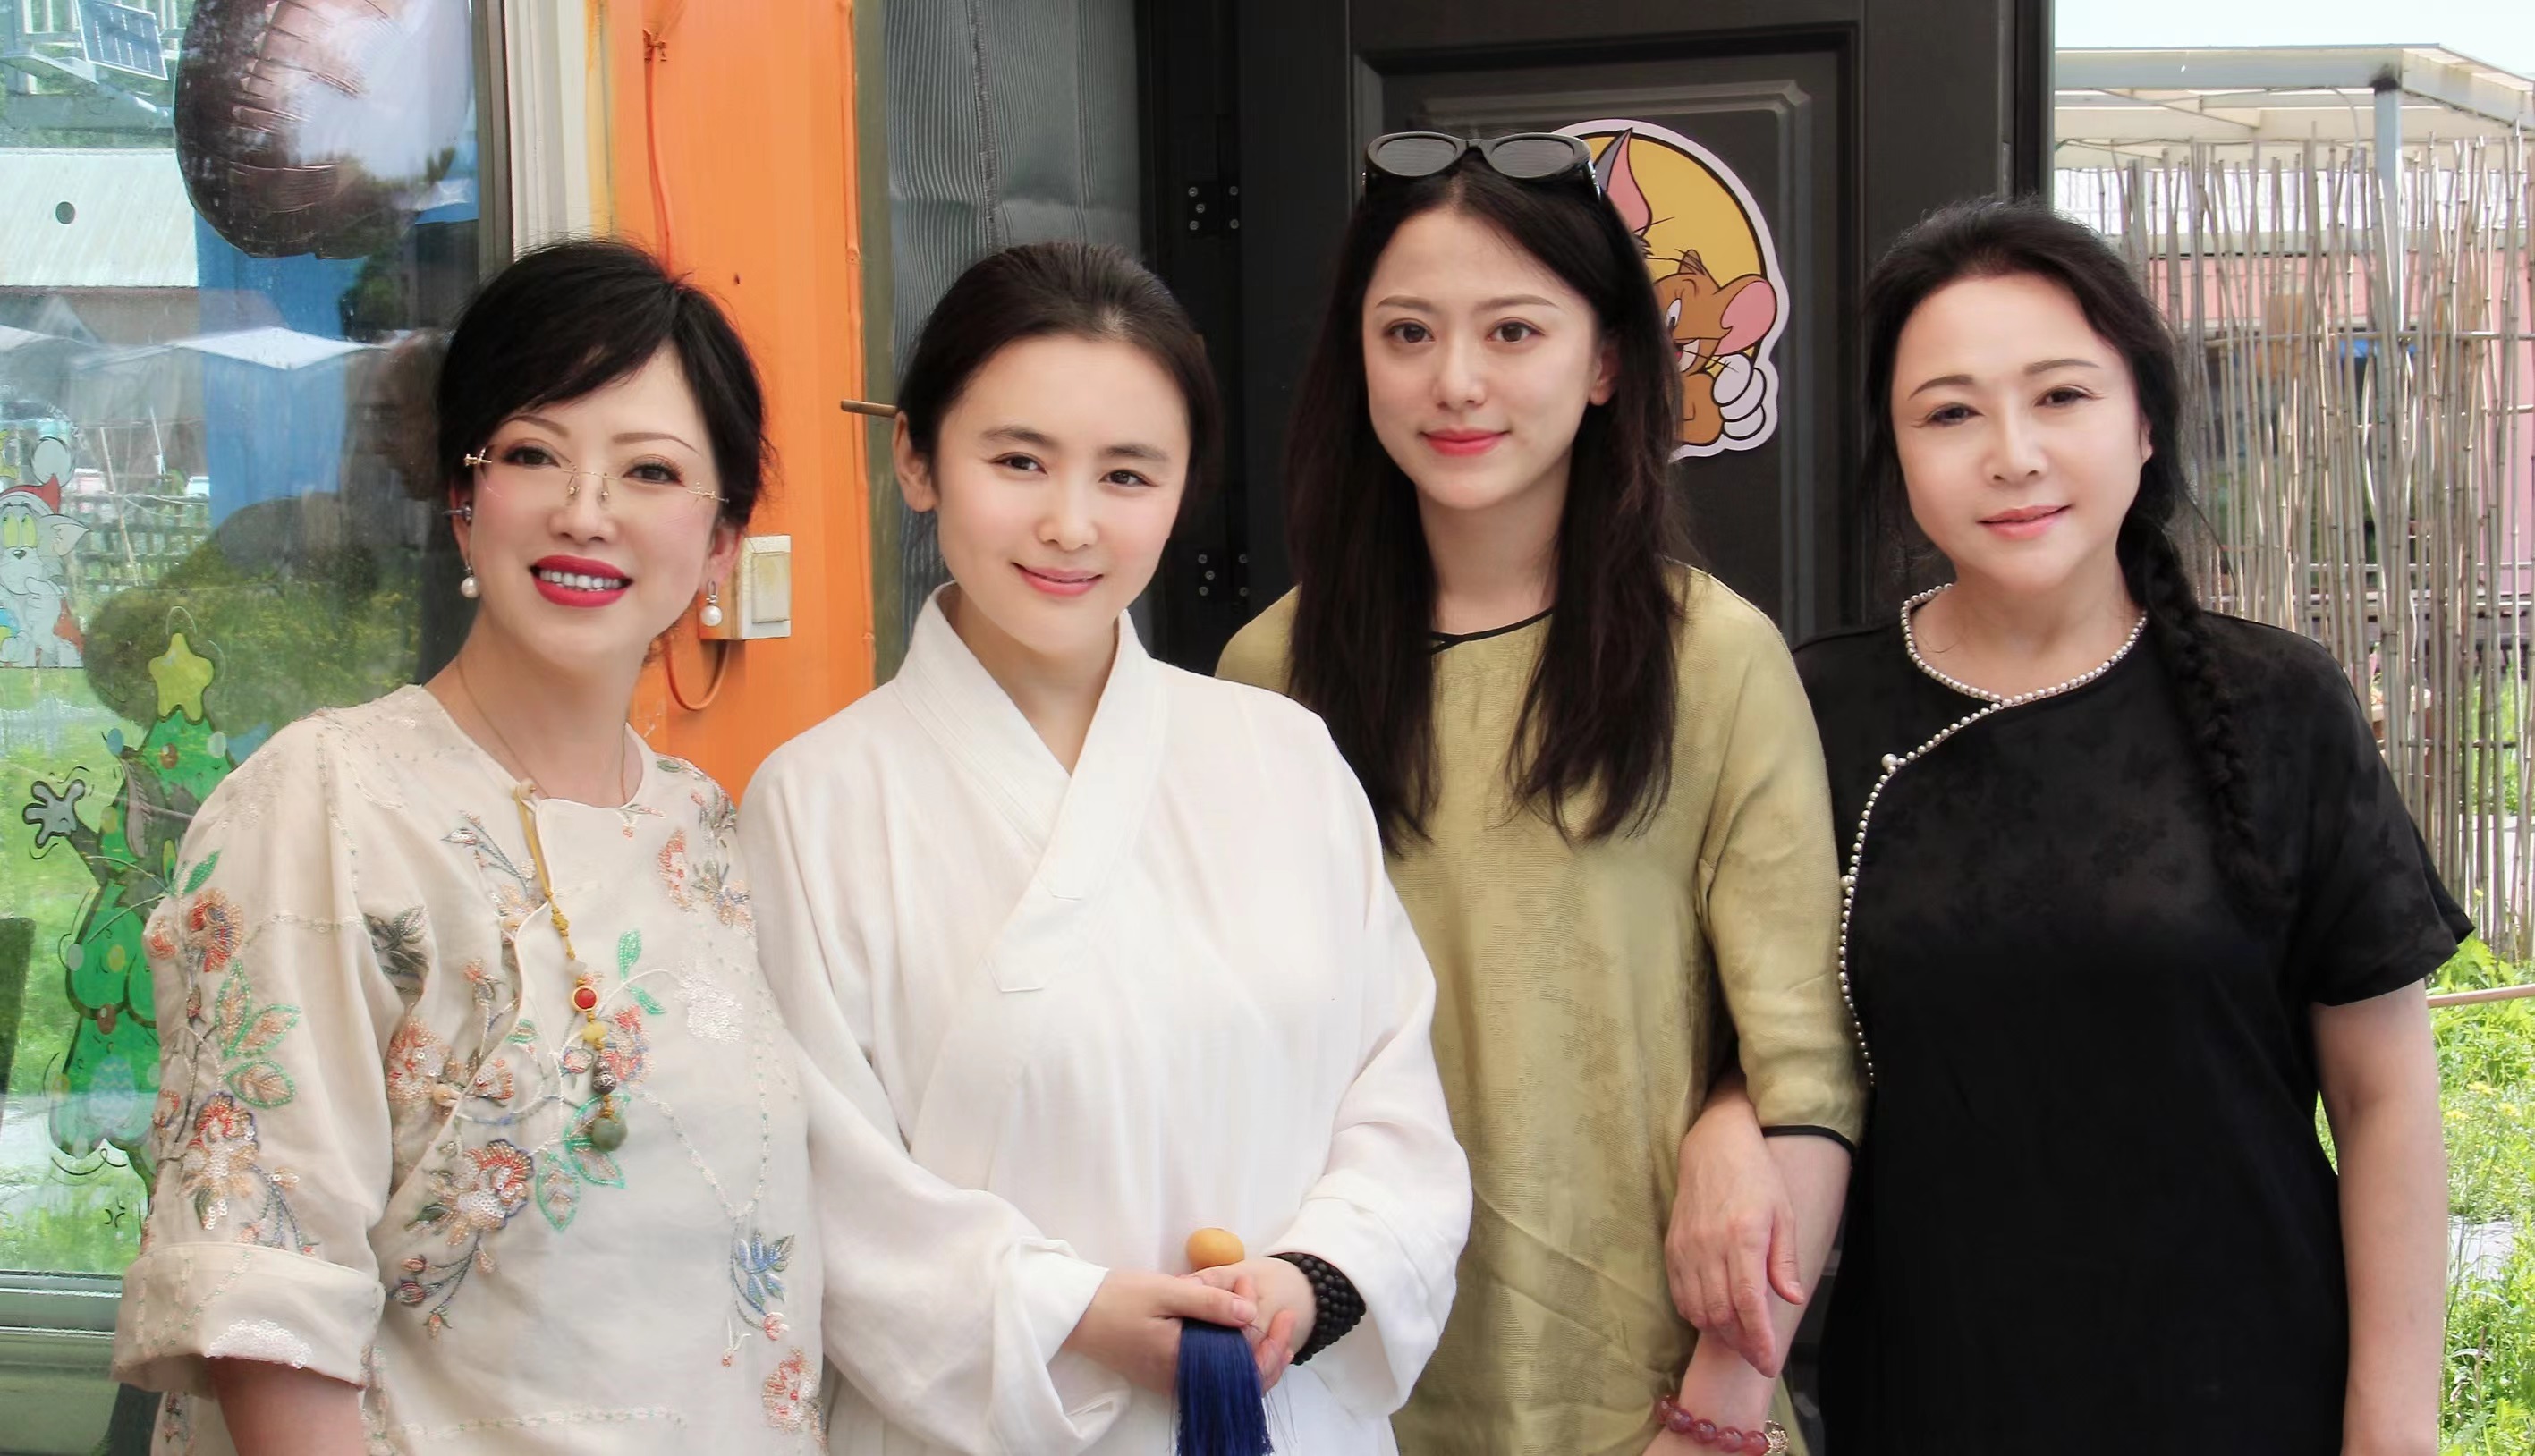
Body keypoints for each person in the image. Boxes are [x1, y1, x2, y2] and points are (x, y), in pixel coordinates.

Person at [742, 240, 1471, 1454]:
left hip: (1283, 1410)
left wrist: (1306, 1286)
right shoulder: (814, 803)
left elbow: (1395, 1107)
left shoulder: (1284, 758)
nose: (1070, 524)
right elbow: (829, 1188)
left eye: (1127, 474)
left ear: (1183, 491)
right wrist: (1074, 1313)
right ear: (916, 459)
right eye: (1017, 461)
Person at [111, 241, 826, 1452]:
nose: (584, 512)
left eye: (651, 470)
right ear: (462, 494)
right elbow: (264, 1299)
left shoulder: (704, 827)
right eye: (534, 454)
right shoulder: (324, 809)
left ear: (720, 542)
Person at [1215, 131, 1865, 1456]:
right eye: (1407, 333)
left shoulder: (1713, 658)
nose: (1455, 380)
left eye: (1513, 330)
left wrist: (1718, 1411)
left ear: (1607, 361)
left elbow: (1807, 1066)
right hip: (1347, 1393)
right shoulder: (1265, 676)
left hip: (1655, 1403)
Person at [1771, 196, 2453, 1452]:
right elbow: (1761, 1052)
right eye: (1950, 413)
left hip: (2249, 1397)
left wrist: (2392, 1427)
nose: (2012, 454)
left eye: (2061, 396)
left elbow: (2386, 1101)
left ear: (2143, 421)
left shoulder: (2277, 704)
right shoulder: (1810, 710)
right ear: (1896, 450)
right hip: (1929, 1394)